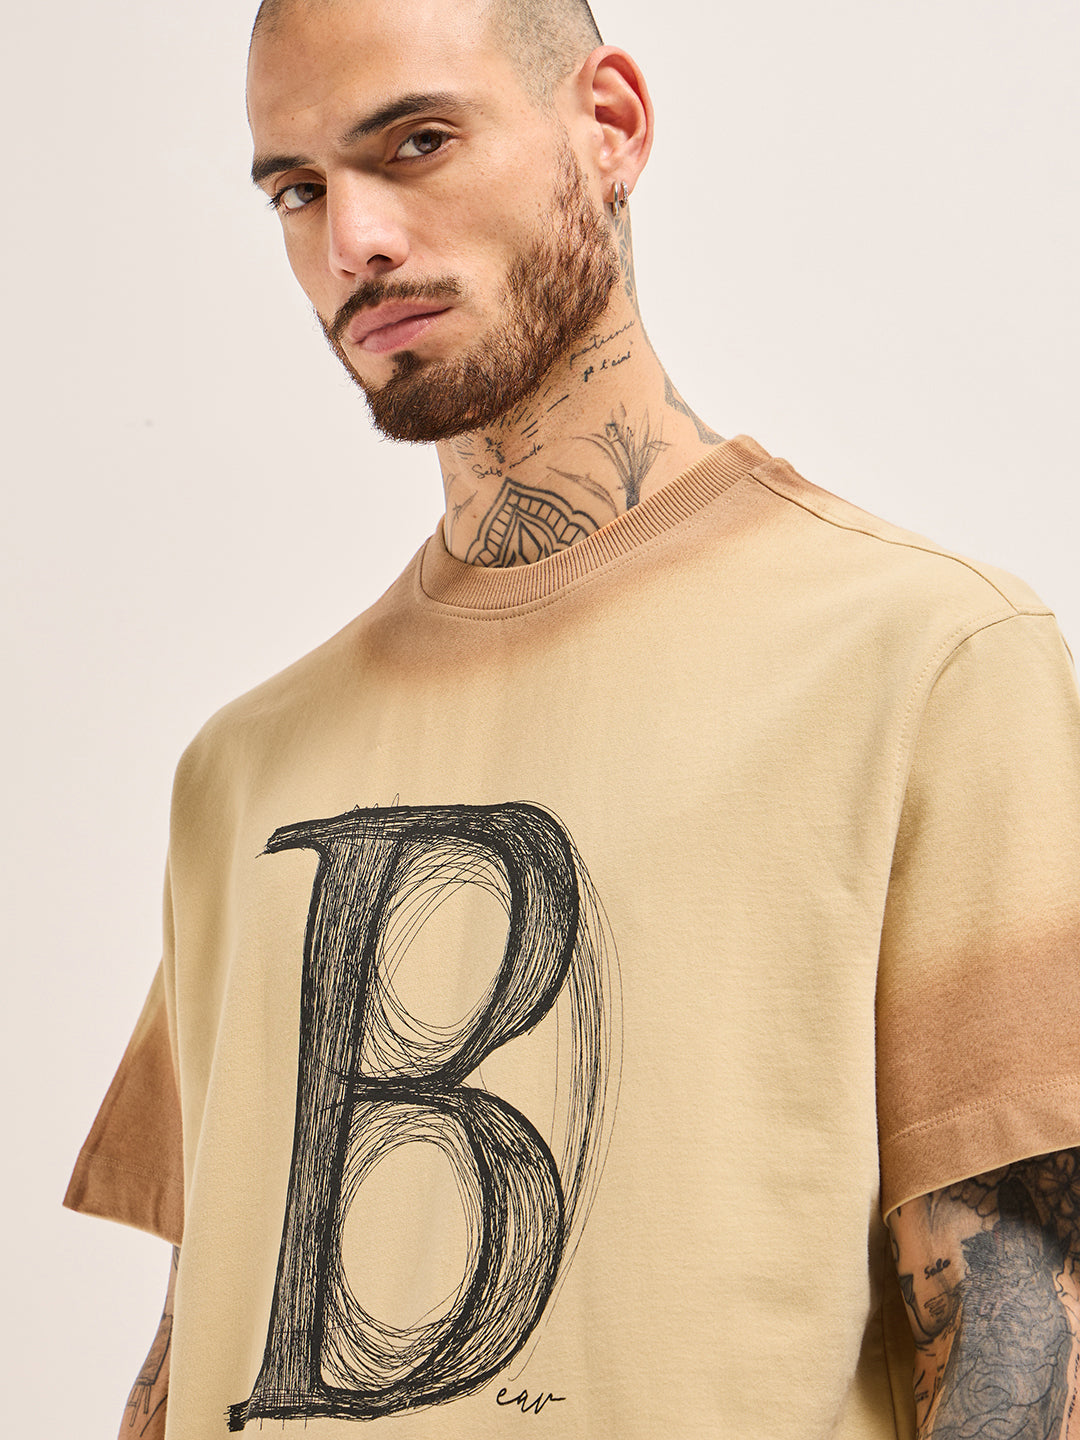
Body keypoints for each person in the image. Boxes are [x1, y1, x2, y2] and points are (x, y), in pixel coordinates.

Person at [65, 0, 1080, 1436]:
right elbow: (201, 1336)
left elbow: (1016, 1328)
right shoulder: (240, 772)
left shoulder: (925, 659)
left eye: (416, 143)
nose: (353, 240)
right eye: (295, 188)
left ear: (608, 125)